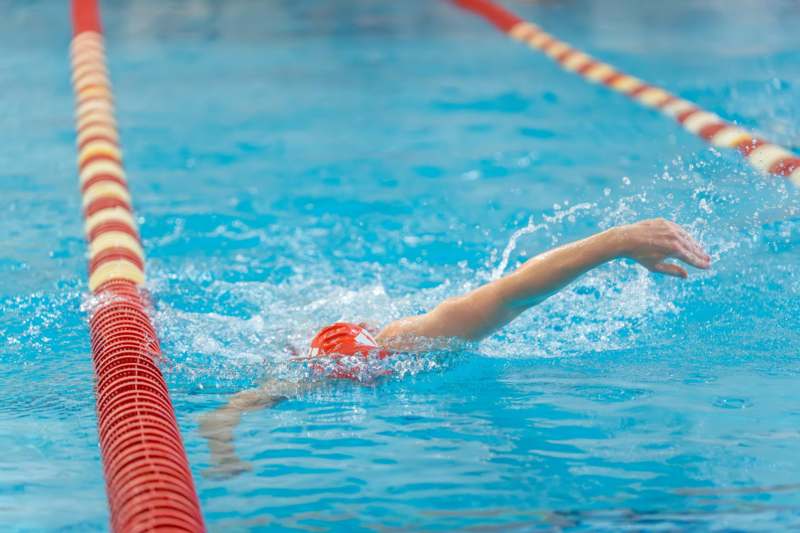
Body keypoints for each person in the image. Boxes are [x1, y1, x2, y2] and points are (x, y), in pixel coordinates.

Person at [199, 217, 711, 477]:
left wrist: (618, 241)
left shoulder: (404, 344)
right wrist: (223, 445)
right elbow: (221, 416)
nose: (366, 376)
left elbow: (514, 291)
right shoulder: (312, 374)